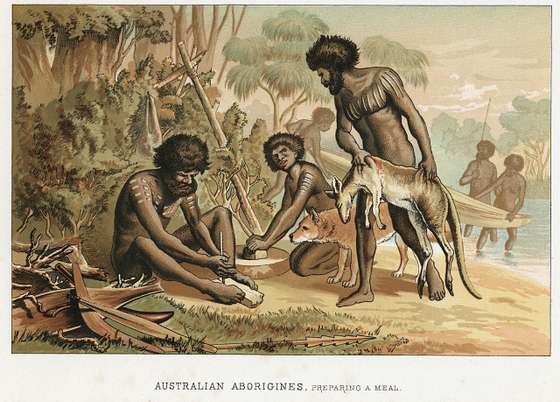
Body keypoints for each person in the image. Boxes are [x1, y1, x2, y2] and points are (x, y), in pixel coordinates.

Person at [306, 35, 445, 305]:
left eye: (322, 73)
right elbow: (342, 133)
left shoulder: (383, 78)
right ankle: (365, 288)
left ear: (334, 66)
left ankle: (429, 268)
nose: (322, 80)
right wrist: (356, 151)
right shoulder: (341, 96)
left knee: (404, 223)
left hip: (399, 162)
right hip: (369, 166)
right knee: (363, 222)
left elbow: (413, 116)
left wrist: (428, 156)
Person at [111, 134, 256, 305]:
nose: (188, 181)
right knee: (143, 242)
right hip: (133, 262)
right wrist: (206, 261)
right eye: (182, 175)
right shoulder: (140, 185)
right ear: (166, 169)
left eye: (192, 175)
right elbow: (159, 237)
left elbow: (196, 226)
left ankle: (229, 277)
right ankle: (207, 287)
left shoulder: (185, 187)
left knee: (221, 213)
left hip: (163, 253)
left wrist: (224, 265)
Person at [245, 133, 344, 276]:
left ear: (295, 151)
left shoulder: (309, 173)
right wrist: (264, 238)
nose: (280, 158)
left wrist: (266, 243)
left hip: (335, 231)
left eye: (283, 152)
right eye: (275, 156)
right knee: (294, 261)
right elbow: (284, 211)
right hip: (316, 231)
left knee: (302, 268)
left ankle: (348, 258)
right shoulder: (290, 180)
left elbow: (293, 212)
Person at [261, 108, 335, 202]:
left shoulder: (305, 122)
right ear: (323, 123)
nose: (329, 128)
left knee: (278, 187)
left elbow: (289, 126)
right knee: (293, 189)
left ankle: (261, 202)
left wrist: (295, 137)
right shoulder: (316, 133)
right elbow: (317, 156)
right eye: (329, 125)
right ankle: (262, 203)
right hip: (295, 160)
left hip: (288, 154)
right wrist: (326, 173)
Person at [473, 154, 526, 255]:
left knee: (513, 235)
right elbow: (491, 187)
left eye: (511, 169)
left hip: (510, 212)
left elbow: (521, 201)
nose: (508, 170)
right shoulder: (504, 176)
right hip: (497, 209)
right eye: (507, 167)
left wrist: (513, 214)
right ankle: (478, 252)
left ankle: (507, 255)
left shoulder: (521, 181)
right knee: (486, 230)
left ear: (517, 169)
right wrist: (477, 197)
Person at [459, 140, 498, 240]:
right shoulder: (473, 164)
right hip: (472, 202)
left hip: (486, 204)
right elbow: (462, 181)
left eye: (484, 149)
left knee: (490, 227)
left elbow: (495, 186)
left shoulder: (492, 167)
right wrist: (473, 176)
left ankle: (497, 250)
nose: (481, 151)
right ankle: (465, 245)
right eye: (480, 148)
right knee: (470, 224)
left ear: (490, 153)